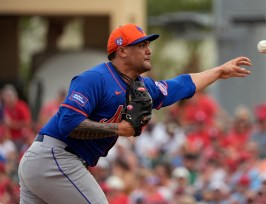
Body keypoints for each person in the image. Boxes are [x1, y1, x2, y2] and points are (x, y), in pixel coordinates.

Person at [18, 23, 252, 204]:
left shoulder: (140, 85)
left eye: (148, 45)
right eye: (141, 45)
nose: (148, 50)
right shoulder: (95, 78)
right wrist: (122, 129)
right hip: (55, 157)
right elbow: (68, 123)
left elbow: (180, 86)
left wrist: (219, 71)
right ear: (122, 51)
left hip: (48, 161)